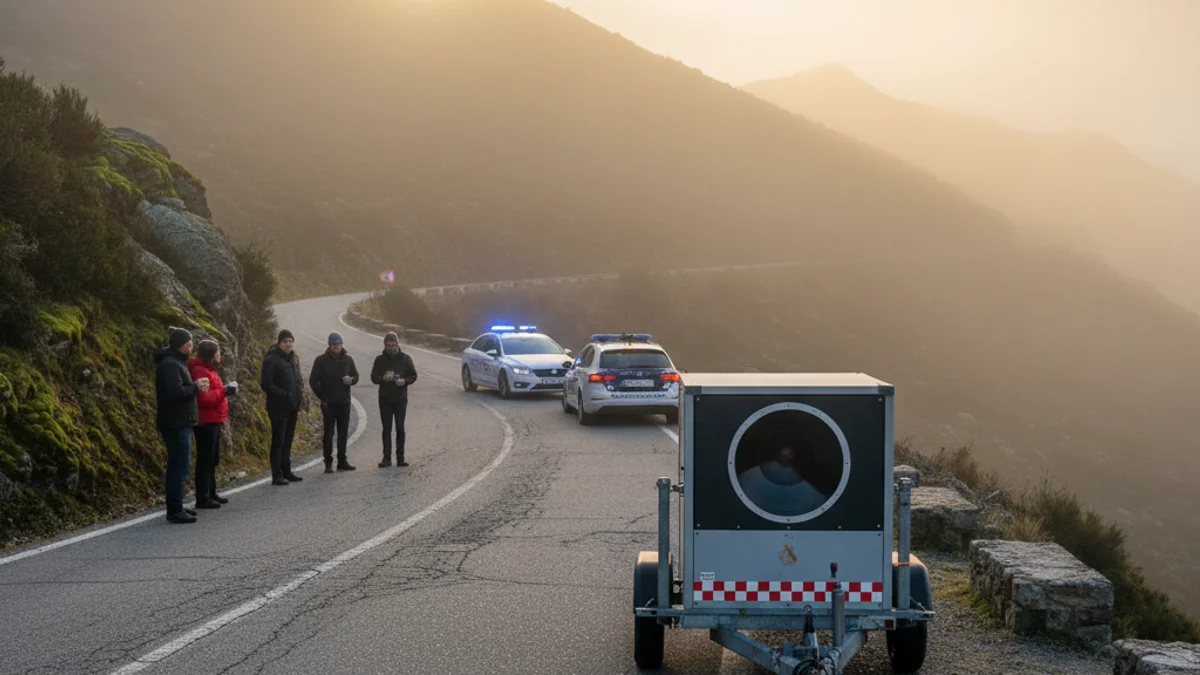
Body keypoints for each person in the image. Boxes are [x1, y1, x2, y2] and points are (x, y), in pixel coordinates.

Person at [154, 326, 209, 524]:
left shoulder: (176, 363)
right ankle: (174, 509)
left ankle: (177, 504)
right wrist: (195, 386)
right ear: (180, 345)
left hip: (180, 421)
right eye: (188, 344)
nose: (191, 347)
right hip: (175, 422)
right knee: (179, 465)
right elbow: (176, 392)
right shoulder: (170, 365)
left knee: (181, 464)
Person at [189, 339, 238, 508]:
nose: (220, 355)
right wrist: (225, 391)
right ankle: (202, 497)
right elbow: (204, 398)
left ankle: (211, 491)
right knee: (205, 458)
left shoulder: (208, 369)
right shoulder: (199, 370)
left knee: (213, 458)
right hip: (205, 421)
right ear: (211, 354)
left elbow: (211, 392)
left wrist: (224, 390)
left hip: (214, 419)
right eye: (217, 352)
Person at [309, 332, 359, 473]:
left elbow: (356, 376)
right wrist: (322, 396)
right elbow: (313, 380)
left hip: (344, 402)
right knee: (328, 433)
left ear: (342, 344)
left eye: (339, 343)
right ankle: (328, 463)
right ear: (329, 345)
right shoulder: (321, 360)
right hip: (328, 403)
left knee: (343, 433)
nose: (337, 346)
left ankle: (342, 461)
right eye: (334, 344)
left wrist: (352, 380)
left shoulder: (348, 360)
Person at [261, 329, 304, 485]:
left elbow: (297, 381)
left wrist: (300, 398)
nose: (288, 344)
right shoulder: (271, 360)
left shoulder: (292, 359)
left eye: (290, 341)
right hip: (278, 407)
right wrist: (283, 394)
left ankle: (287, 471)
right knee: (278, 441)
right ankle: (277, 474)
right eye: (285, 341)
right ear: (279, 343)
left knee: (288, 440)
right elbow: (266, 384)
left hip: (292, 406)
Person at [736, 444, 829, 516]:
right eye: (784, 455)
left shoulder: (810, 490)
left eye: (788, 455)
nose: (786, 456)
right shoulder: (752, 476)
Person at [370, 331, 417, 468]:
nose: (391, 348)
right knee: (386, 428)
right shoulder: (379, 360)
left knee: (400, 427)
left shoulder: (406, 358)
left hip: (400, 399)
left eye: (393, 345)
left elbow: (413, 375)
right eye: (388, 345)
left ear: (397, 344)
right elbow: (373, 378)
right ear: (384, 345)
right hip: (385, 399)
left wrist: (405, 381)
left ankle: (400, 457)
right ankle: (386, 457)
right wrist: (382, 378)